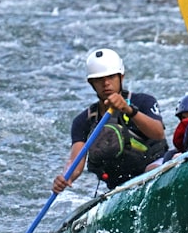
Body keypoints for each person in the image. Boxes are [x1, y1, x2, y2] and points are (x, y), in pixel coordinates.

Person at [52, 48, 167, 192]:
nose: (106, 83)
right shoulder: (83, 121)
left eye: (111, 77)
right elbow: (75, 163)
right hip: (118, 186)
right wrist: (66, 177)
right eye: (99, 79)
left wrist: (129, 110)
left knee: (154, 168)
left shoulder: (144, 101)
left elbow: (158, 133)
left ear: (121, 77)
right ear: (91, 83)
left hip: (154, 168)